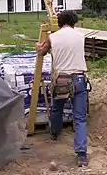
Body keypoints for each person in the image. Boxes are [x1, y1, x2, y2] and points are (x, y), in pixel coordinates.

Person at [35, 10, 89, 167]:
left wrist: (38, 46)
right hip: (79, 79)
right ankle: (81, 156)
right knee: (79, 118)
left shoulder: (53, 37)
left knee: (57, 109)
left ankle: (54, 132)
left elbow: (41, 52)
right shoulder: (80, 36)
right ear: (74, 22)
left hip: (61, 81)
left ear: (59, 22)